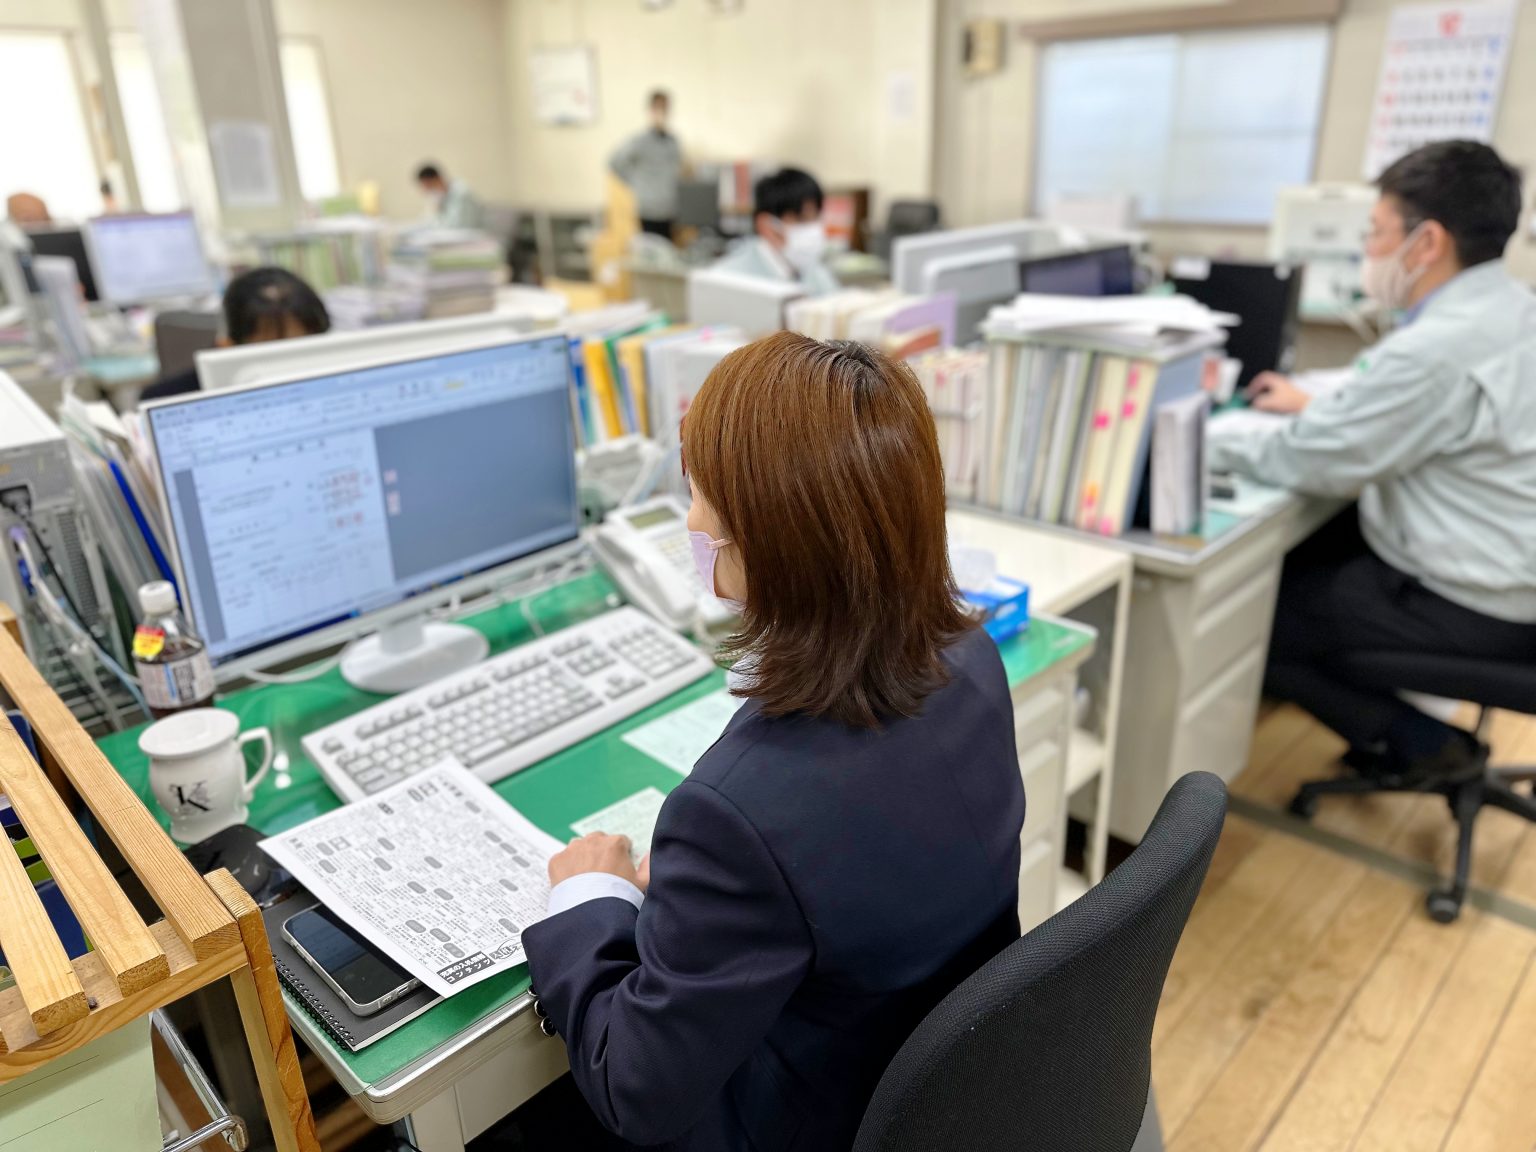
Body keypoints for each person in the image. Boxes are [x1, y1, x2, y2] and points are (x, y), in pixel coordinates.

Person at [523, 333, 1024, 1151]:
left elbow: (635, 1090)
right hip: (936, 1088)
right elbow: (840, 864)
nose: (689, 520)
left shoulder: (738, 811)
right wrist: (709, 898)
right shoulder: (972, 660)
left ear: (765, 539)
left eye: (696, 494)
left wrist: (591, 900)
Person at [1208, 139, 1536, 781]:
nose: (1369, 247)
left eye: (1376, 231)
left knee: (1252, 610)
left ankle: (1422, 745)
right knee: (1304, 556)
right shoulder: (1512, 307)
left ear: (1426, 242)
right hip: (1514, 568)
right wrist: (1322, 402)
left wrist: (1189, 436)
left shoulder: (1438, 348)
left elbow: (1307, 458)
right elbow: (1400, 398)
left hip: (1480, 598)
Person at [140, 267, 330, 402]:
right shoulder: (171, 400)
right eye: (278, 352)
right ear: (227, 346)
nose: (295, 366)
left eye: (306, 348)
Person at [711, 167, 840, 296]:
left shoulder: (814, 271)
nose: (813, 228)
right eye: (801, 219)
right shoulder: (727, 280)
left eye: (816, 217)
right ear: (767, 226)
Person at [609, 90, 684, 239]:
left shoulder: (672, 141)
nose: (662, 112)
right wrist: (636, 183)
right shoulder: (639, 141)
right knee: (651, 249)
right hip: (649, 209)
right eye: (658, 108)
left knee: (668, 250)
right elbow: (615, 162)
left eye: (665, 108)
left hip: (670, 209)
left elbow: (676, 170)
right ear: (651, 110)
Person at [414, 162, 483, 230]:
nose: (427, 190)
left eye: (428, 185)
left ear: (437, 179)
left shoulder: (461, 193)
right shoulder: (440, 196)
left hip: (475, 232)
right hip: (457, 232)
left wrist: (438, 213)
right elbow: (428, 219)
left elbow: (458, 224)